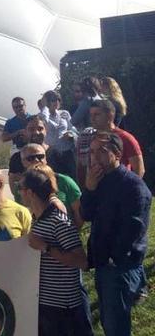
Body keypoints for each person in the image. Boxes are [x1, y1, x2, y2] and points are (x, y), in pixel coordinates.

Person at [81, 132, 151, 336]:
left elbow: (134, 229)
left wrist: (113, 258)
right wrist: (90, 189)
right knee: (108, 320)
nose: (95, 157)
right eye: (92, 152)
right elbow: (86, 214)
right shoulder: (99, 180)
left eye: (101, 152)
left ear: (117, 154)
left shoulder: (133, 186)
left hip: (119, 266)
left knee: (116, 326)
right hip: (104, 263)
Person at [18, 167, 93, 336]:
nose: (19, 193)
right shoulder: (39, 220)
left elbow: (82, 261)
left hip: (62, 306)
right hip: (45, 302)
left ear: (30, 192)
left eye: (20, 189)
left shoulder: (58, 221)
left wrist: (46, 247)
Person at [89, 99, 144, 177]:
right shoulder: (91, 138)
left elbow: (139, 170)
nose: (92, 119)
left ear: (110, 116)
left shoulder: (125, 138)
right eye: (91, 115)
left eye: (97, 114)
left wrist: (129, 187)